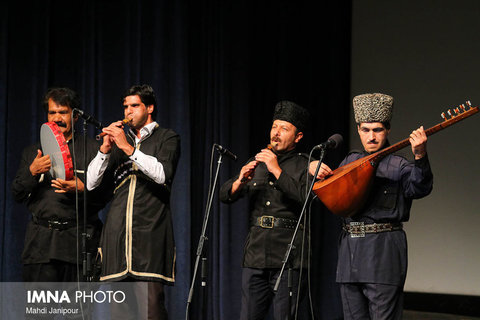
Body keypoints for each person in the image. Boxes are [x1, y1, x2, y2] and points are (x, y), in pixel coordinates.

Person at [311, 93, 433, 319]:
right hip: (350, 254)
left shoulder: (399, 165)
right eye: (365, 130)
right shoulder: (350, 161)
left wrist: (420, 156)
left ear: (387, 130)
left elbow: (420, 187)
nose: (372, 136)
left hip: (383, 254)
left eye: (377, 130)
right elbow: (329, 195)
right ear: (358, 129)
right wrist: (315, 172)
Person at [87, 84, 180, 319]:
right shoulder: (118, 143)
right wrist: (105, 149)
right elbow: (90, 183)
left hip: (149, 234)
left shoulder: (167, 137)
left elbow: (162, 174)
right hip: (117, 236)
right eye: (125, 107)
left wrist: (128, 148)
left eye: (134, 106)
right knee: (119, 312)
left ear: (149, 108)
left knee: (151, 309)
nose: (128, 111)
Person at [219, 101, 311, 320]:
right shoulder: (257, 161)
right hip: (256, 254)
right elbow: (224, 195)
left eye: (284, 129)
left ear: (297, 137)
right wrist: (240, 180)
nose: (276, 133)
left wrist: (277, 170)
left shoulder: (305, 164)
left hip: (289, 256)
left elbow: (305, 198)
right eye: (274, 127)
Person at [12, 87, 103, 282]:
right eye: (52, 112)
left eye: (63, 112)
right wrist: (32, 172)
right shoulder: (33, 152)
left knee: (77, 313)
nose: (56, 118)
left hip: (78, 245)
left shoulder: (93, 150)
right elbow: (17, 193)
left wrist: (81, 189)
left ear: (75, 116)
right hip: (40, 246)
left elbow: (105, 196)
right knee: (39, 312)